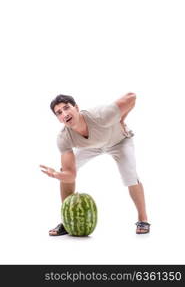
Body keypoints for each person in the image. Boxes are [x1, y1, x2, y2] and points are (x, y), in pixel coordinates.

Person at [40, 93, 150, 236]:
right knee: (64, 174)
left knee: (129, 175)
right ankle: (66, 223)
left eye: (67, 108)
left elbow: (132, 97)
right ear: (58, 119)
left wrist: (122, 119)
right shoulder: (63, 138)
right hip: (90, 147)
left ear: (77, 108)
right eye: (59, 113)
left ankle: (143, 219)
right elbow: (70, 174)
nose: (64, 114)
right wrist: (58, 175)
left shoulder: (101, 115)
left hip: (119, 142)